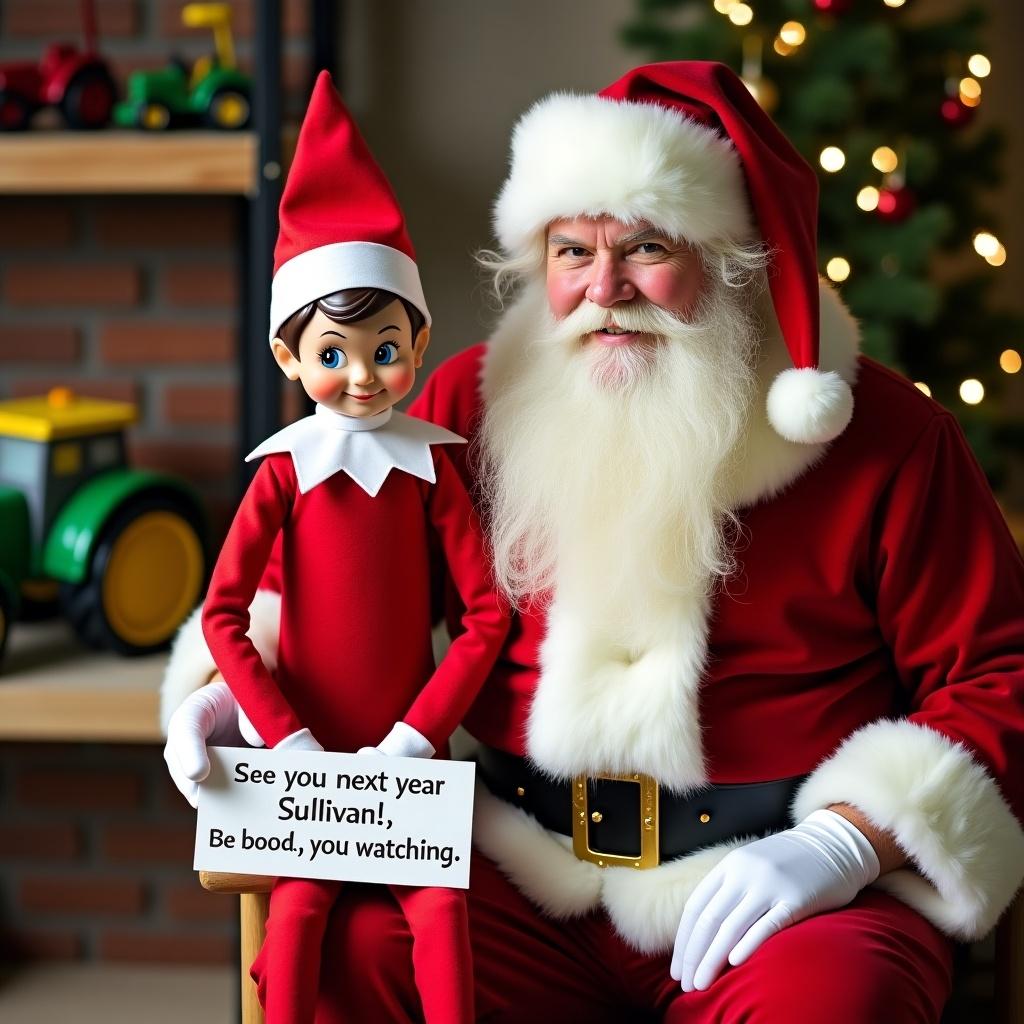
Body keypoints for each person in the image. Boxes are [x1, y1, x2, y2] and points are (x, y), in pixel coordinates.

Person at [163, 62, 1024, 1022]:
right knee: (349, 954)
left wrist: (849, 841)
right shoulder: (459, 410)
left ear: (734, 255)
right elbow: (309, 588)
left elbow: (1000, 673)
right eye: (573, 251)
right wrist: (230, 697)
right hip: (511, 863)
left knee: (837, 1002)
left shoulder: (885, 435)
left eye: (648, 246)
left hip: (780, 893)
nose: (606, 288)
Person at [195, 73, 507, 1024]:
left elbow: (488, 613)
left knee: (443, 931)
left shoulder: (432, 473)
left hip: (411, 769)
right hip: (307, 770)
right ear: (292, 360)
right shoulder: (283, 476)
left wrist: (419, 736)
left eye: (384, 348)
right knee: (291, 937)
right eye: (333, 354)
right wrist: (280, 733)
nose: (362, 377)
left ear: (419, 337)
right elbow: (221, 613)